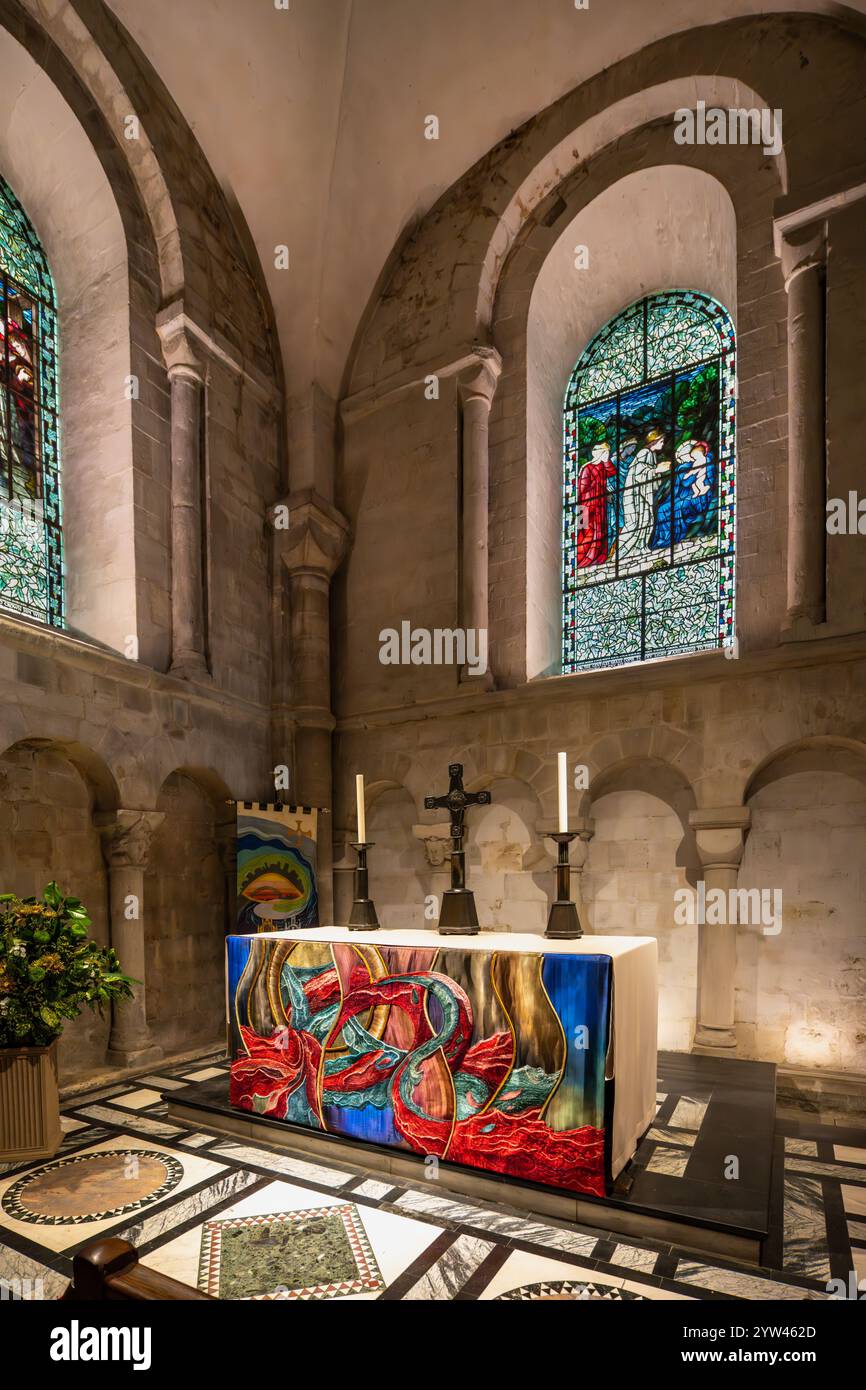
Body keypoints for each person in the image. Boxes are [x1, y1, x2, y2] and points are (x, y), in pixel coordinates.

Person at [616, 427, 670, 570]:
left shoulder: (651, 455)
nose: (663, 444)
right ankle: (619, 554)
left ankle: (639, 548)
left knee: (646, 520)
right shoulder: (644, 452)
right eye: (661, 441)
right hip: (634, 495)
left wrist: (656, 471)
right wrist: (657, 470)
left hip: (642, 495)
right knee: (633, 524)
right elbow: (640, 475)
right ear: (654, 441)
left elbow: (649, 477)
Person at [575, 440, 617, 568]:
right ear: (599, 453)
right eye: (605, 453)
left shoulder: (602, 467)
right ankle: (583, 559)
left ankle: (598, 557)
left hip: (600, 506)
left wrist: (606, 461)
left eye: (608, 453)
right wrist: (597, 494)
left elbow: (612, 472)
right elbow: (582, 490)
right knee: (587, 532)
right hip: (586, 507)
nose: (607, 455)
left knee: (601, 531)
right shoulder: (587, 468)